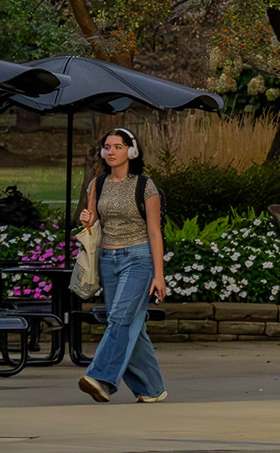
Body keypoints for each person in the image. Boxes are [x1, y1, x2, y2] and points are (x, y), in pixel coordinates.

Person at [75, 126, 167, 404]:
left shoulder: (144, 185)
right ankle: (152, 389)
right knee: (131, 326)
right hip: (108, 259)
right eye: (107, 147)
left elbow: (154, 231)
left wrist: (159, 276)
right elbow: (93, 223)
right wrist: (87, 220)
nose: (111, 151)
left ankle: (101, 378)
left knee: (119, 319)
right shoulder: (97, 184)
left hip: (139, 259)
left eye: (117, 146)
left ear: (132, 150)